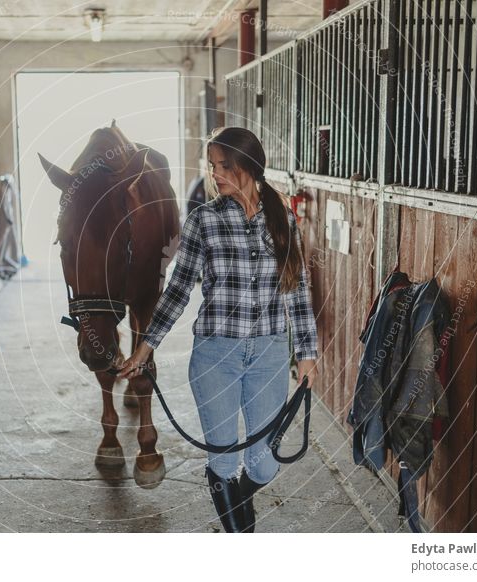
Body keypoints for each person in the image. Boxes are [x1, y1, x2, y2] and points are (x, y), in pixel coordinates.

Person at [117, 127, 320, 533]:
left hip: (269, 355)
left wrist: (307, 352)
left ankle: (234, 513)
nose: (215, 174)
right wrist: (145, 347)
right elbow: (176, 290)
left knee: (264, 466)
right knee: (224, 462)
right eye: (212, 166)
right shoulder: (203, 221)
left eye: (224, 165)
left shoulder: (283, 217)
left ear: (248, 166)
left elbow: (296, 289)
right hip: (216, 355)